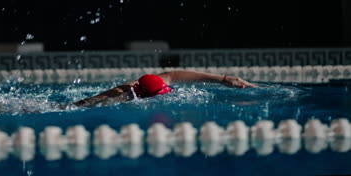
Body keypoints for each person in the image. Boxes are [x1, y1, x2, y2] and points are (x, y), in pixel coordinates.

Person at [72, 70, 257, 108]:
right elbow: (90, 103)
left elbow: (173, 75)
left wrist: (223, 79)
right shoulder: (119, 97)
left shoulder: (144, 84)